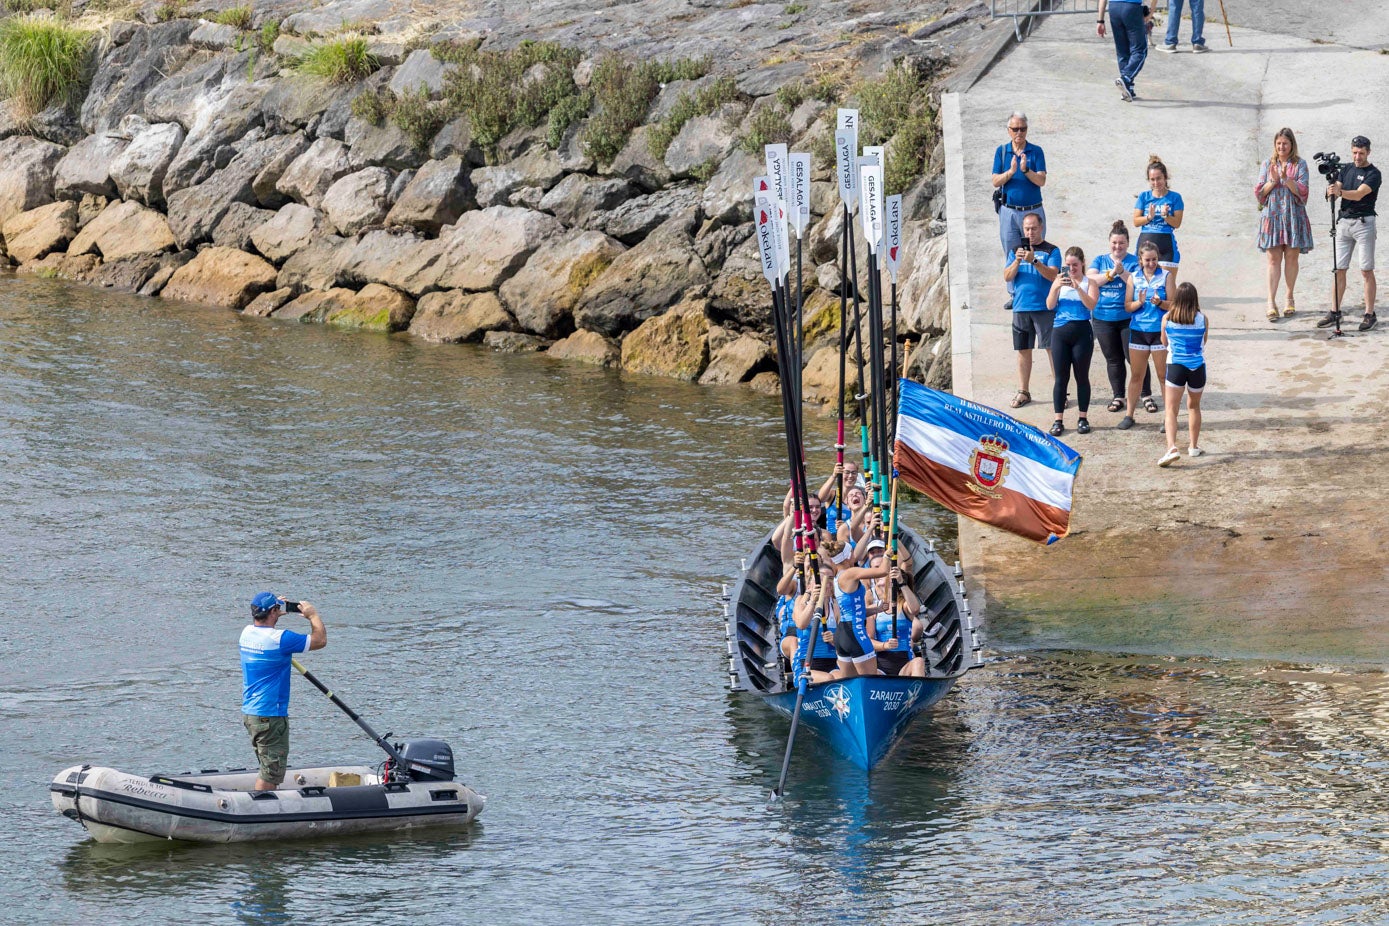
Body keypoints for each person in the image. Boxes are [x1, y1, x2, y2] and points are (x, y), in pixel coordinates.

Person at [240, 592, 326, 791]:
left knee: (268, 766)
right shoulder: (281, 639)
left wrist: (275, 610)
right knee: (271, 774)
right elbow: (320, 640)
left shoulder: (245, 633)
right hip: (271, 716)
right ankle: (260, 811)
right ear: (272, 611)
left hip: (251, 713)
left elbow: (265, 631)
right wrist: (313, 615)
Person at [1088, 220, 1151, 413]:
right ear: (1109, 243)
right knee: (1113, 359)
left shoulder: (1134, 261)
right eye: (1114, 243)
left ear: (1128, 243)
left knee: (1135, 359)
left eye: (1121, 243)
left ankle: (1146, 394)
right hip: (1103, 318)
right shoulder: (1099, 260)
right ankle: (1118, 396)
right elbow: (1090, 281)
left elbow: (1139, 283)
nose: (1117, 247)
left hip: (1128, 318)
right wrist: (1111, 274)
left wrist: (1122, 272)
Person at [1319, 135, 1380, 332]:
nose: (1357, 157)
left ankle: (1370, 314)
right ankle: (1335, 310)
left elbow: (1360, 193)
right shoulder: (1346, 169)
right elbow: (1338, 187)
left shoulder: (1374, 173)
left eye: (1361, 153)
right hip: (1344, 222)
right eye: (1354, 152)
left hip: (1364, 223)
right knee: (1339, 269)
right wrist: (1332, 187)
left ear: (1368, 152)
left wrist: (1340, 193)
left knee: (1366, 270)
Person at [991, 112, 1048, 310]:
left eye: (1022, 129)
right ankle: (1014, 294)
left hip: (1032, 210)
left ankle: (1037, 291)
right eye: (1015, 129)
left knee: (1036, 250)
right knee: (1011, 252)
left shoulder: (1036, 151)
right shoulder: (1002, 151)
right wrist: (1010, 172)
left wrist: (1025, 170)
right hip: (1009, 211)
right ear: (1009, 131)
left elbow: (1041, 180)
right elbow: (995, 180)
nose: (1019, 133)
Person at [1255, 128, 1313, 321]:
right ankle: (1271, 301)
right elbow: (1259, 193)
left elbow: (1303, 191)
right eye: (1279, 143)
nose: (1281, 147)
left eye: (1285, 143)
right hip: (1272, 216)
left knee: (1291, 258)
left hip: (1293, 216)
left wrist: (1286, 179)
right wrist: (1273, 180)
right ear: (1275, 144)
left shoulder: (1300, 164)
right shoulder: (1267, 163)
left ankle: (1289, 297)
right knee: (1273, 260)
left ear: (1291, 145)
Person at [1003, 211, 1060, 408]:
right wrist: (1018, 260)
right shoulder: (1014, 250)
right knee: (1023, 349)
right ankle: (1023, 391)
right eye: (1027, 229)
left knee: (1052, 349)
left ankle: (1060, 390)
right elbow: (1007, 276)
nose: (1030, 233)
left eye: (1034, 228)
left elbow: (1054, 276)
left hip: (1044, 307)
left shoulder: (1052, 251)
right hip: (1021, 307)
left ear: (1041, 227)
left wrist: (1034, 261)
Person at [1046, 246, 1100, 436]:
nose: (1071, 269)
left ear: (1082, 263)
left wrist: (1077, 288)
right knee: (1061, 378)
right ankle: (1058, 419)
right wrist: (1056, 287)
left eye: (1074, 265)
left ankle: (1083, 417)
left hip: (1082, 332)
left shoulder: (1089, 283)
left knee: (1081, 376)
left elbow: (1091, 304)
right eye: (1067, 265)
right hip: (1060, 332)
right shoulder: (1059, 281)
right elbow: (1050, 305)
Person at [1119, 241, 1170, 430]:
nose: (1151, 263)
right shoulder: (1133, 277)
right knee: (1136, 376)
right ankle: (1129, 415)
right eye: (1147, 260)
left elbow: (1173, 305)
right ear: (1140, 260)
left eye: (1154, 260)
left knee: (1163, 376)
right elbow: (1127, 306)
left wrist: (1160, 303)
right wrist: (1138, 303)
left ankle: (1168, 418)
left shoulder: (1166, 276)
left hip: (1159, 332)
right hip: (1139, 332)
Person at [1158, 282, 1209, 466]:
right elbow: (1204, 342)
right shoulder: (1203, 319)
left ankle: (1171, 447)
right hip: (1197, 367)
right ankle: (1193, 446)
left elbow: (1164, 343)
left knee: (1171, 409)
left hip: (1176, 367)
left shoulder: (1167, 318)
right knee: (1194, 406)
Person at [831, 551, 891, 678]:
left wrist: (877, 610)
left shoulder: (836, 577)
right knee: (870, 680)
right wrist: (887, 556)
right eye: (851, 552)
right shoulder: (851, 573)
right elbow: (884, 571)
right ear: (847, 557)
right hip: (856, 634)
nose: (854, 555)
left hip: (842, 635)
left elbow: (855, 611)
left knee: (850, 683)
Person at [1134, 156, 1185, 293]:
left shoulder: (1175, 197)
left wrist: (1166, 216)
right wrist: (1148, 217)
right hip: (1146, 240)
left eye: (1159, 178)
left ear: (1165, 177)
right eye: (1152, 179)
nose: (1156, 183)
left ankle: (1171, 312)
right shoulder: (1144, 197)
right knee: (1142, 284)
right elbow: (1136, 221)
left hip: (1166, 242)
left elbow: (1177, 223)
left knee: (1167, 285)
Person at [1097, 0, 1148, 102]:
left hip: (1114, 7)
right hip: (1132, 7)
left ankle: (1127, 89)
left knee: (1122, 50)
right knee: (1140, 50)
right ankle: (1126, 78)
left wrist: (1100, 21)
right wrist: (1150, 12)